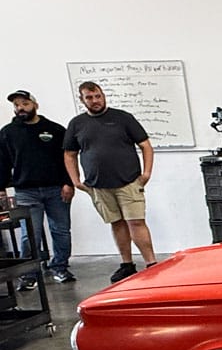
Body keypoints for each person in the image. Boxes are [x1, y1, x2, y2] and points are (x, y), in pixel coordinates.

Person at [64, 81, 157, 283]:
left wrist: (146, 173)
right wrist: (76, 181)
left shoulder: (123, 118)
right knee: (116, 223)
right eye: (89, 98)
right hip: (98, 185)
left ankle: (151, 264)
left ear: (103, 95)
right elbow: (70, 154)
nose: (95, 100)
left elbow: (145, 145)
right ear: (82, 100)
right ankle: (127, 264)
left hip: (128, 181)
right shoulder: (77, 124)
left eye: (98, 96)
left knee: (136, 221)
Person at [0, 90, 74, 288]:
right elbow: (3, 162)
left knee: (61, 231)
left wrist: (69, 182)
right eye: (17, 105)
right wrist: (1, 188)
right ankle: (29, 274)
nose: (20, 108)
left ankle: (60, 267)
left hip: (56, 189)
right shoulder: (8, 132)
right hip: (26, 191)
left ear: (35, 105)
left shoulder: (55, 129)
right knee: (30, 234)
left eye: (25, 103)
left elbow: (67, 159)